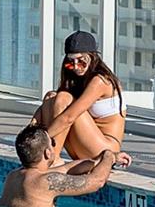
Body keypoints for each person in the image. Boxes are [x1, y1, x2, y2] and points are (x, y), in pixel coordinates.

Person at [29, 30, 130, 163]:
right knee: (51, 96)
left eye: (81, 61)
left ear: (92, 57)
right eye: (71, 62)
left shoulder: (100, 80)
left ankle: (51, 159)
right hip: (83, 146)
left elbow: (68, 118)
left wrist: (40, 140)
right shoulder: (79, 79)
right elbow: (47, 107)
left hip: (105, 150)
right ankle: (50, 156)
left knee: (63, 98)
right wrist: (29, 131)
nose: (76, 67)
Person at [0, 125, 122, 207]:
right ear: (47, 153)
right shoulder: (46, 181)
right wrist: (108, 155)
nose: (54, 146)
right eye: (52, 143)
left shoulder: (13, 176)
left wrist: (98, 160)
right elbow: (97, 182)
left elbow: (66, 168)